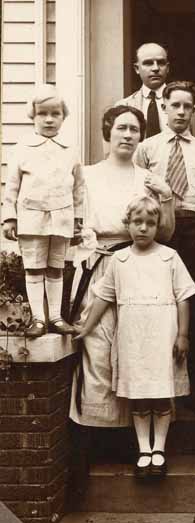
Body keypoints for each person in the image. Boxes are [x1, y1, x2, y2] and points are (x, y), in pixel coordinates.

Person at [74, 195, 195, 478]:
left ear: (157, 226)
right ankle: (144, 449)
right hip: (133, 337)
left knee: (162, 395)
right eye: (137, 222)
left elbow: (183, 298)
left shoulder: (169, 257)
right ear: (127, 224)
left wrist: (182, 334)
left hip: (162, 336)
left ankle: (159, 450)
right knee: (140, 396)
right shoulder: (120, 259)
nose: (143, 228)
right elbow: (103, 298)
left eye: (150, 223)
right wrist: (86, 328)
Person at [69, 105, 175, 429]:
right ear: (108, 131)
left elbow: (167, 232)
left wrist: (167, 198)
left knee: (136, 348)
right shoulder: (87, 175)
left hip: (139, 269)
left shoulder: (149, 180)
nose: (128, 135)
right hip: (98, 266)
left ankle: (137, 437)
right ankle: (97, 431)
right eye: (121, 128)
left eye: (134, 130)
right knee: (98, 346)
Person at [135, 80, 195, 413]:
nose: (182, 112)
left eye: (188, 106)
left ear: (193, 110)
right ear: (165, 108)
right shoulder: (148, 148)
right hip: (162, 227)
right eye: (176, 105)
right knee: (163, 302)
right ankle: (162, 385)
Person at [2, 84, 83, 337]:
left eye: (55, 113)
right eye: (42, 114)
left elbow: (79, 188)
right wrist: (9, 218)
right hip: (31, 218)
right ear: (33, 116)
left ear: (63, 116)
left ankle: (56, 318)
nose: (49, 119)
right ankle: (38, 318)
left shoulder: (70, 150)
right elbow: (12, 186)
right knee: (35, 267)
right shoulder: (22, 149)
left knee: (56, 267)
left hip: (61, 218)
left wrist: (78, 220)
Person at [117, 42, 195, 140]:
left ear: (167, 68)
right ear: (137, 68)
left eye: (161, 63)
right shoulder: (124, 106)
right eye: (148, 63)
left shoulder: (185, 105)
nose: (155, 68)